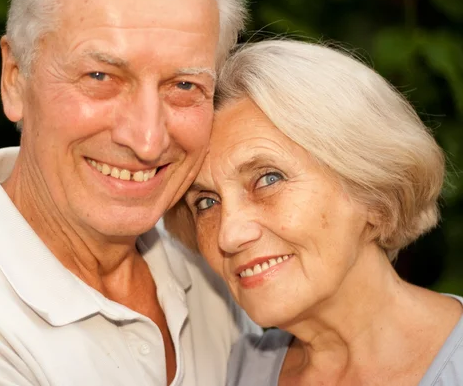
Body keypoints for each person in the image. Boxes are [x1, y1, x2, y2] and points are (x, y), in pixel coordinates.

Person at [0, 0, 258, 385]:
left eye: (184, 86)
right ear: (15, 79)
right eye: (100, 76)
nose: (147, 140)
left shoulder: (218, 251)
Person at [165, 39, 463, 386]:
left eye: (268, 179)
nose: (228, 234)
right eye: (206, 202)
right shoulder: (225, 373)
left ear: (372, 194)